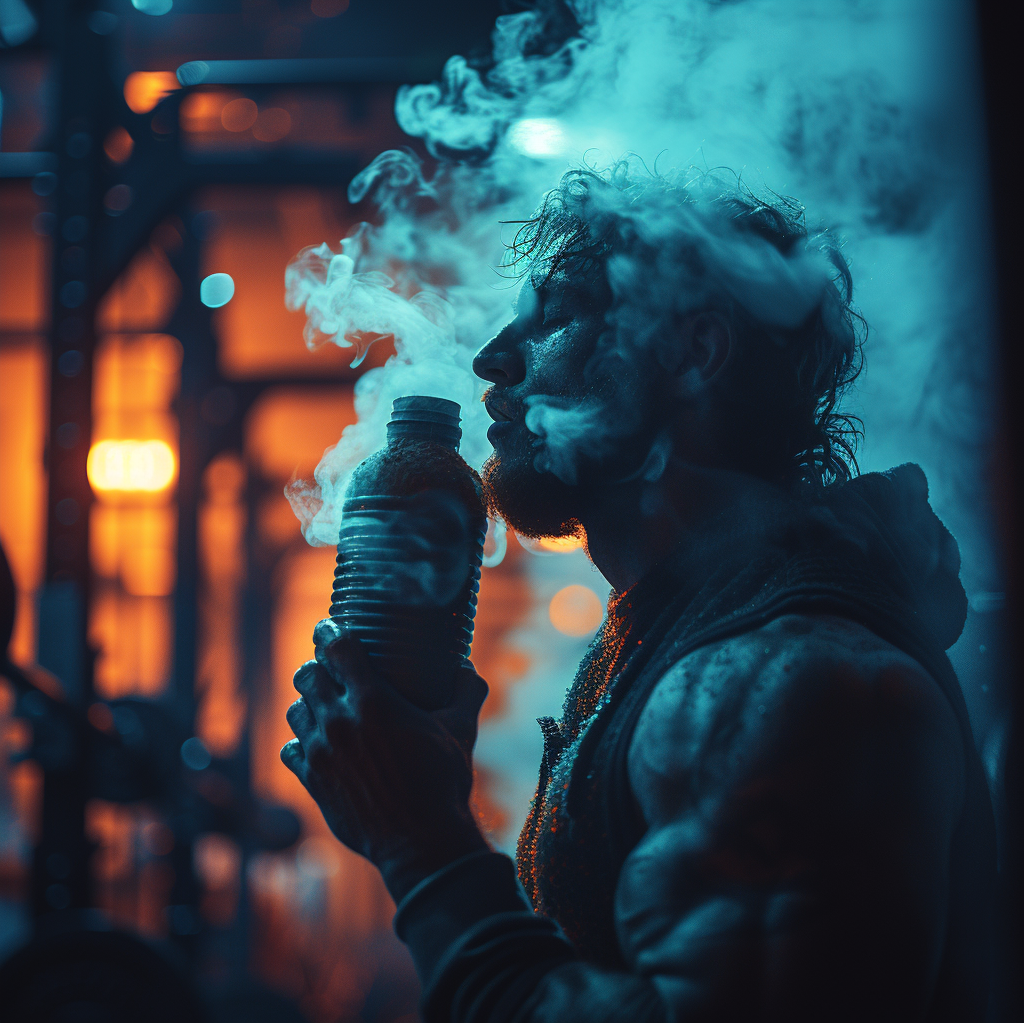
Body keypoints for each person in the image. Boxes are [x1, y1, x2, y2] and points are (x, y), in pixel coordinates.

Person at [281, 165, 995, 1022]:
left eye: (556, 317)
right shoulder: (674, 633)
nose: (493, 359)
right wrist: (425, 797)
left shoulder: (788, 684)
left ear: (696, 352)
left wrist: (423, 844)